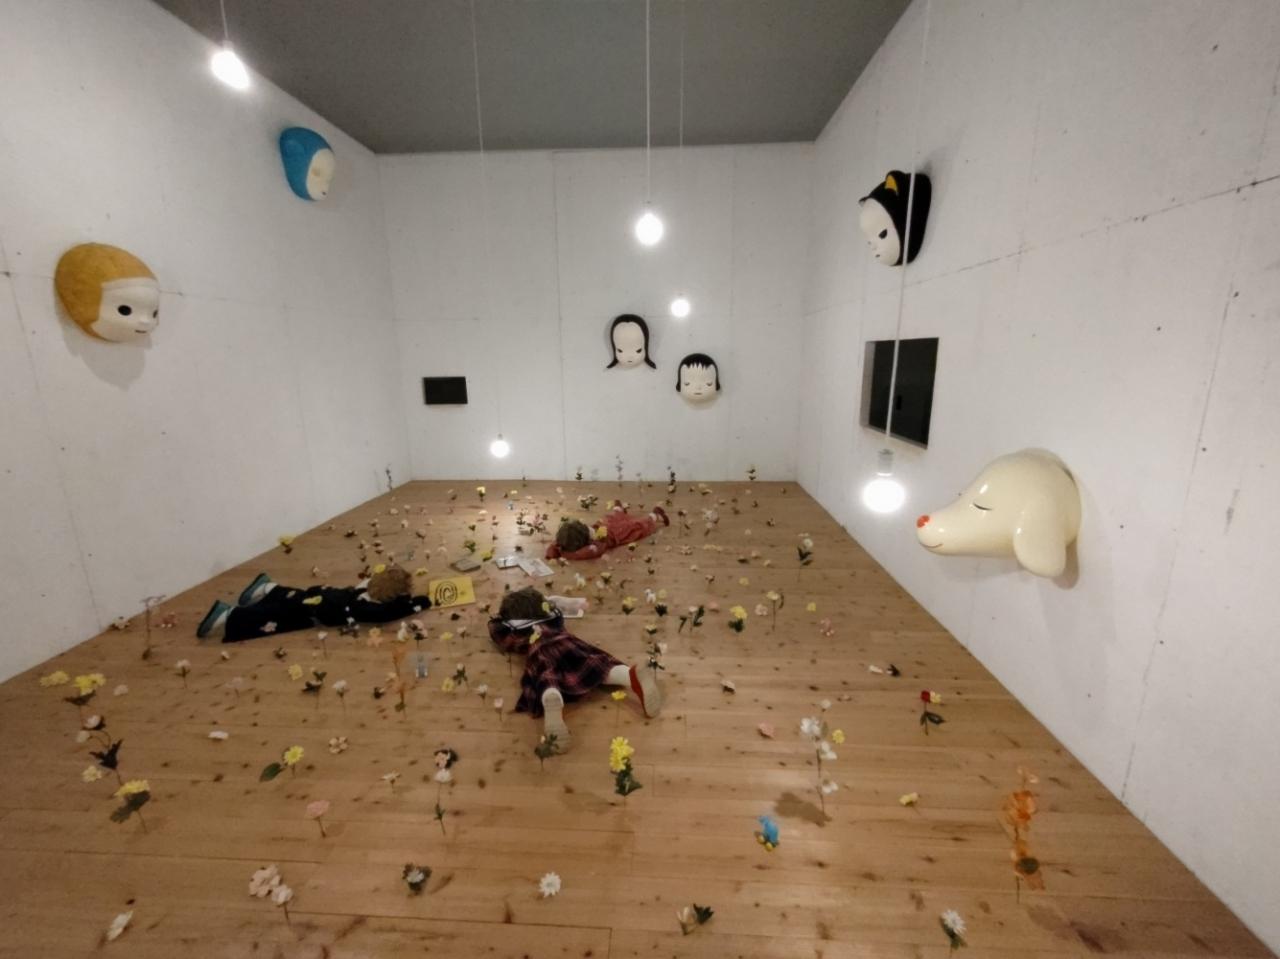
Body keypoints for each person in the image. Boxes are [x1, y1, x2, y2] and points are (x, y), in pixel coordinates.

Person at [488, 587, 662, 751]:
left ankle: (551, 697)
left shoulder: (514, 631)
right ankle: (630, 675)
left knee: (547, 674)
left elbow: (495, 631)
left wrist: (504, 617)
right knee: (597, 664)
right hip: (568, 643)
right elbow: (555, 606)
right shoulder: (552, 619)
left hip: (538, 650)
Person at [196, 565, 431, 643]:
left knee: (293, 597)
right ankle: (229, 615)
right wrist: (421, 601)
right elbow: (388, 614)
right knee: (276, 616)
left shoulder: (365, 585)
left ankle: (267, 588)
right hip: (318, 610)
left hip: (323, 594)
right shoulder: (366, 607)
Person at [546, 503, 669, 561]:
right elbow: (554, 545)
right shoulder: (570, 536)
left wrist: (563, 554)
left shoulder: (593, 545)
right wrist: (552, 553)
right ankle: (618, 509)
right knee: (616, 519)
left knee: (637, 527)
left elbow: (582, 554)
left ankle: (654, 515)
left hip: (616, 533)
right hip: (604, 526)